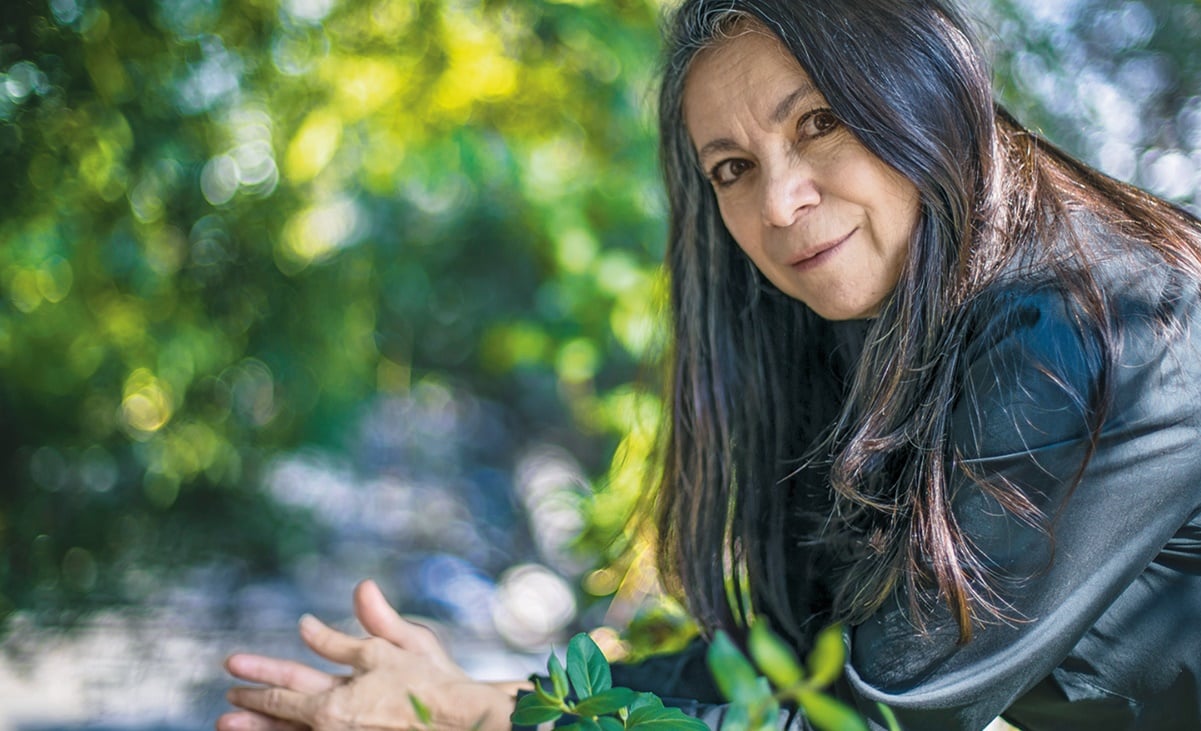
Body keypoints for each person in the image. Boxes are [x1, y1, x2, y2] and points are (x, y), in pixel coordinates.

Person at [218, 0, 1201, 729]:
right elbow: (787, 664)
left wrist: (477, 716)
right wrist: (484, 698)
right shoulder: (877, 313)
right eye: (731, 167)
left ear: (922, 83)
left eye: (816, 120)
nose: (777, 202)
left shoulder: (1091, 329)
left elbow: (864, 712)